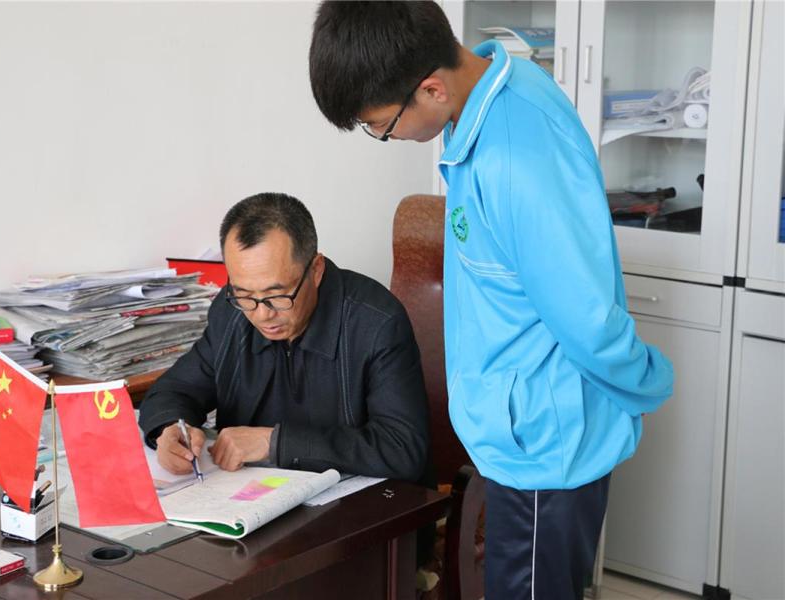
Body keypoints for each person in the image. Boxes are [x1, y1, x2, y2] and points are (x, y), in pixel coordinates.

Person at [309, 3, 674, 599]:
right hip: (517, 434)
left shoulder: (514, 158)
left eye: (381, 124)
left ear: (431, 88)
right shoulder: (484, 98)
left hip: (543, 449)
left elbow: (585, 315)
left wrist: (647, 382)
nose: (386, 137)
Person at [139, 192, 431, 489]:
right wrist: (171, 429)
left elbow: (403, 448)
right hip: (251, 498)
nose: (262, 314)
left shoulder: (377, 322)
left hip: (358, 504)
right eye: (244, 294)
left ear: (316, 270)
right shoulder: (232, 313)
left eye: (277, 295)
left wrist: (275, 443)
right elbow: (174, 390)